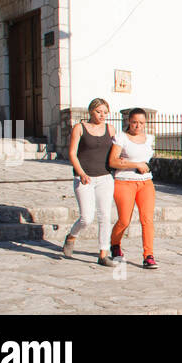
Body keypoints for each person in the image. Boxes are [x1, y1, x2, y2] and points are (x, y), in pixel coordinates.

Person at [63, 98, 117, 266]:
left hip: (105, 178)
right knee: (86, 217)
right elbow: (72, 153)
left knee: (105, 216)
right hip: (84, 178)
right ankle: (72, 236)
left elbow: (117, 150)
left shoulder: (110, 129)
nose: (102, 115)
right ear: (91, 112)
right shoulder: (79, 128)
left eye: (105, 112)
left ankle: (103, 254)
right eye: (98, 111)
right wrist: (81, 172)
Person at [109, 108, 157, 269]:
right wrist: (135, 165)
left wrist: (145, 166)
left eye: (141, 123)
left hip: (145, 183)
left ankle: (148, 255)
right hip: (124, 182)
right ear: (129, 121)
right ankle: (115, 244)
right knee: (124, 220)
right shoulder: (121, 138)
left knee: (147, 219)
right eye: (135, 122)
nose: (138, 126)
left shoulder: (149, 138)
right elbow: (113, 162)